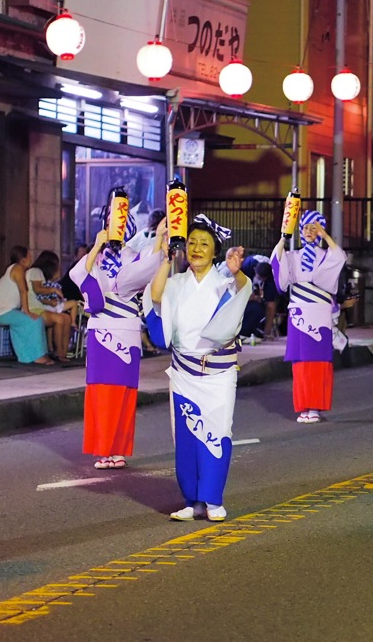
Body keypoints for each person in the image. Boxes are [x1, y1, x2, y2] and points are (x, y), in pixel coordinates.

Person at [146, 215, 250, 522]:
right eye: (191, 242)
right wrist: (166, 258)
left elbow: (244, 289)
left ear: (215, 251)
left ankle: (213, 499)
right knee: (186, 438)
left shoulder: (225, 281)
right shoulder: (176, 283)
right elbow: (154, 297)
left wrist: (237, 271)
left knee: (217, 432)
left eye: (204, 243)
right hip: (183, 374)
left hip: (218, 374)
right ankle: (192, 501)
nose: (196, 248)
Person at [72, 214, 166, 470]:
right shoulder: (98, 257)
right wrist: (95, 247)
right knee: (100, 391)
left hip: (126, 329)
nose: (114, 231)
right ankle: (103, 450)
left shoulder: (136, 255)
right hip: (101, 330)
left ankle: (119, 449)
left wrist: (159, 238)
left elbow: (152, 264)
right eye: (109, 225)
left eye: (119, 226)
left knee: (124, 391)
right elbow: (79, 275)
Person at [272, 210, 347, 424]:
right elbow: (277, 263)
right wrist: (284, 237)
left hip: (319, 314)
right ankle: (303, 406)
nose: (309, 232)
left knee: (318, 363)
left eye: (314, 228)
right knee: (300, 363)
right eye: (306, 228)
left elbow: (340, 256)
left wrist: (325, 236)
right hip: (298, 313)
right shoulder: (293, 255)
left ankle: (315, 407)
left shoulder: (327, 255)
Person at [0, 246, 52, 365]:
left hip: (3, 310)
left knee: (25, 323)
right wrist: (27, 312)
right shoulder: (18, 268)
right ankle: (37, 356)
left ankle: (26, 356)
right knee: (34, 321)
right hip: (0, 310)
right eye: (29, 256)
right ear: (23, 260)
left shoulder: (16, 269)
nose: (31, 259)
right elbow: (23, 291)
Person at [26, 249, 77, 363]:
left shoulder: (41, 275)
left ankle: (63, 352)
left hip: (42, 307)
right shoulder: (35, 271)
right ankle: (58, 352)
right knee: (59, 319)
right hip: (34, 308)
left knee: (67, 318)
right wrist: (53, 290)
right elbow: (38, 290)